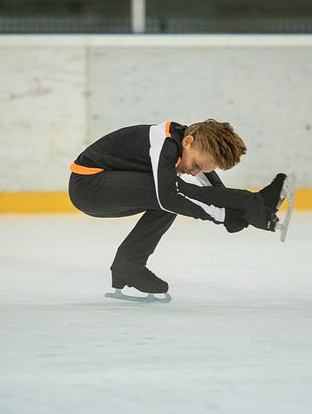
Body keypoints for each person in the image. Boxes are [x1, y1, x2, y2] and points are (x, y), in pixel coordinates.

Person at [68, 119, 291, 300]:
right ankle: (258, 203)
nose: (194, 172)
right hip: (88, 187)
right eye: (195, 165)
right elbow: (169, 196)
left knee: (169, 198)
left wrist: (236, 213)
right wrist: (226, 215)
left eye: (201, 168)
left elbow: (214, 189)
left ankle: (128, 265)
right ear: (189, 142)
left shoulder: (186, 143)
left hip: (105, 188)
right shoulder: (163, 143)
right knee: (170, 194)